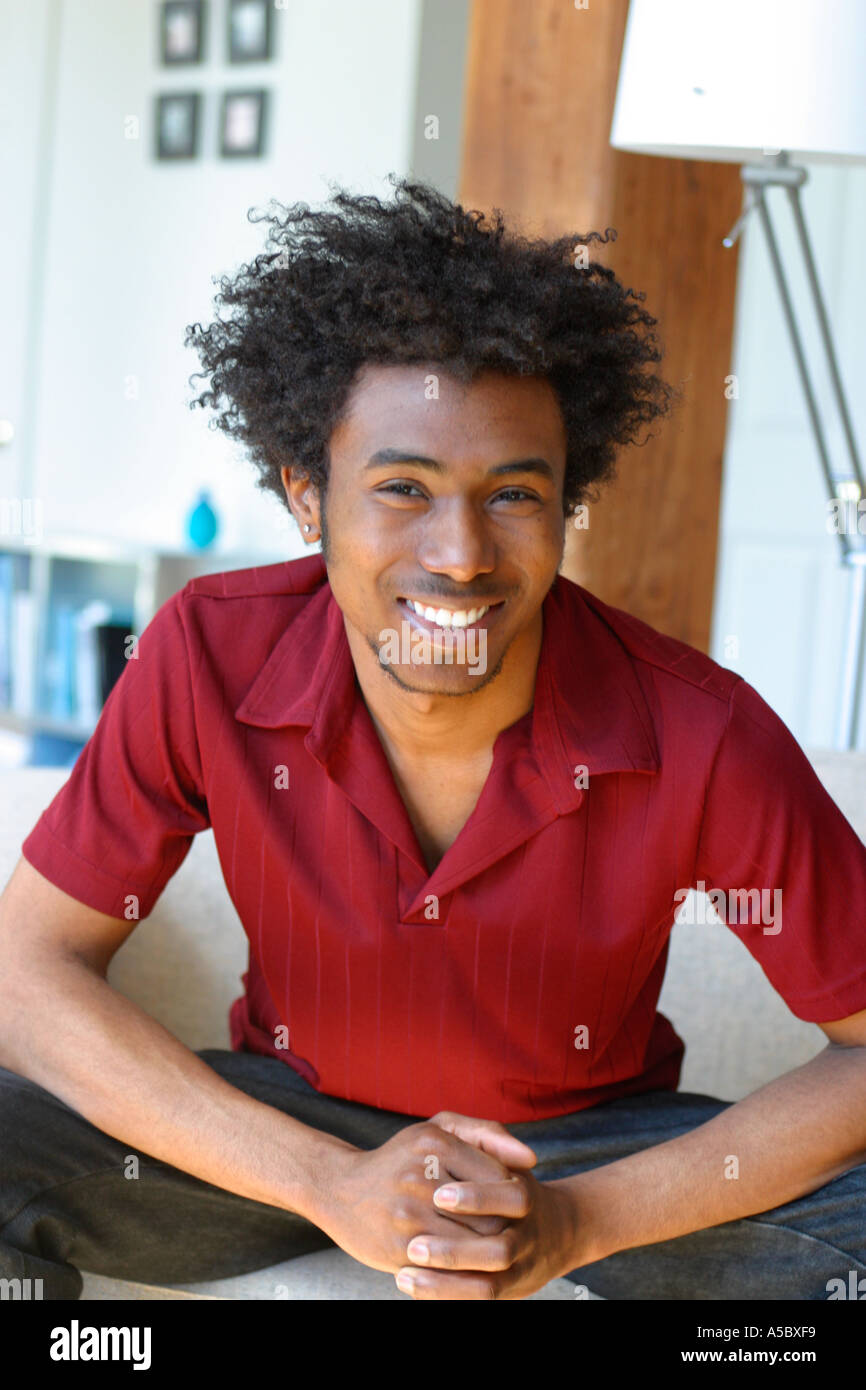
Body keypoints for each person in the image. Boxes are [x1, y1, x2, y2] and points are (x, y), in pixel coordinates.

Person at [1, 178, 865, 1303]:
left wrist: (576, 1222)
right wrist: (330, 1183)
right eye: (402, 487)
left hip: (591, 1144)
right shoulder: (205, 655)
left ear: (566, 503)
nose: (459, 554)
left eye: (512, 493)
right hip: (286, 1129)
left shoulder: (701, 727)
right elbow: (27, 970)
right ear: (307, 496)